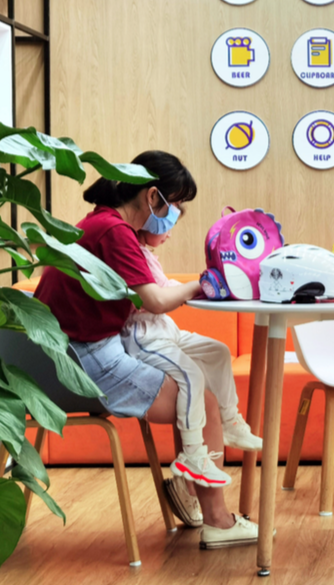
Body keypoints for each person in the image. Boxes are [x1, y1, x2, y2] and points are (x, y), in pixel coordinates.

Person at [33, 151, 260, 549]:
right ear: (153, 196)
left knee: (197, 387)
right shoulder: (113, 231)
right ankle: (218, 521)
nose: (176, 216)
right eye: (176, 206)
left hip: (68, 353)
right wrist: (203, 283)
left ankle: (192, 493)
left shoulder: (103, 224)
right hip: (83, 360)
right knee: (204, 401)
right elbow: (154, 301)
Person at [121, 223, 263, 489]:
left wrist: (203, 287)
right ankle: (193, 452)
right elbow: (158, 299)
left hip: (165, 328)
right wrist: (197, 286)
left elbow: (164, 286)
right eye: (167, 223)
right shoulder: (129, 253)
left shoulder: (145, 252)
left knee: (218, 352)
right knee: (191, 375)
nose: (169, 232)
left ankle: (230, 420)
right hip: (145, 334)